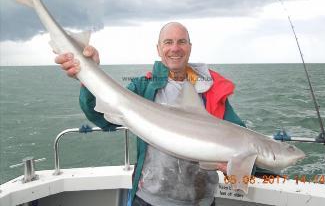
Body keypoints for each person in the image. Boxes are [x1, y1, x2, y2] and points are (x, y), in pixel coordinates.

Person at [55, 22, 246, 206]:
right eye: (168, 42)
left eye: (181, 42)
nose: (175, 48)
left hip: (200, 200)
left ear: (190, 47)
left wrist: (238, 165)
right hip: (148, 199)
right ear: (158, 48)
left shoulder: (212, 91)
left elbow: (244, 141)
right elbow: (104, 119)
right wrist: (88, 74)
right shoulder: (143, 87)